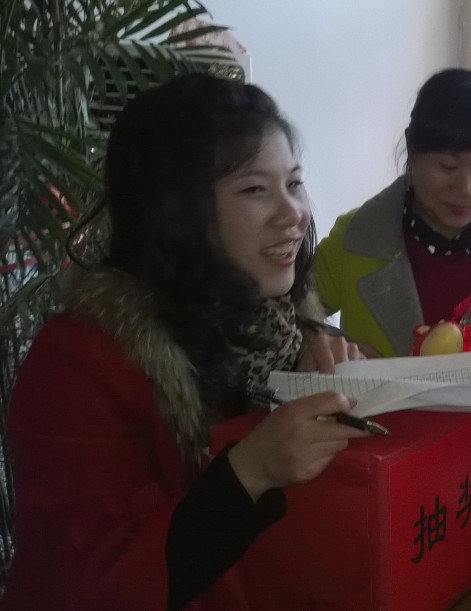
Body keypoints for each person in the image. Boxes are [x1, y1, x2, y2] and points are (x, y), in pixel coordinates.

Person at [4, 73, 368, 610]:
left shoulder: (284, 327)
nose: (293, 214)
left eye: (294, 184)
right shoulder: (78, 363)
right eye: (255, 190)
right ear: (175, 211)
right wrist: (251, 469)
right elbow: (91, 583)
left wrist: (334, 379)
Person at [315, 68, 471, 357]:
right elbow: (288, 317)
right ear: (412, 149)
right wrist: (333, 344)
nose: (465, 188)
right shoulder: (356, 238)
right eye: (447, 166)